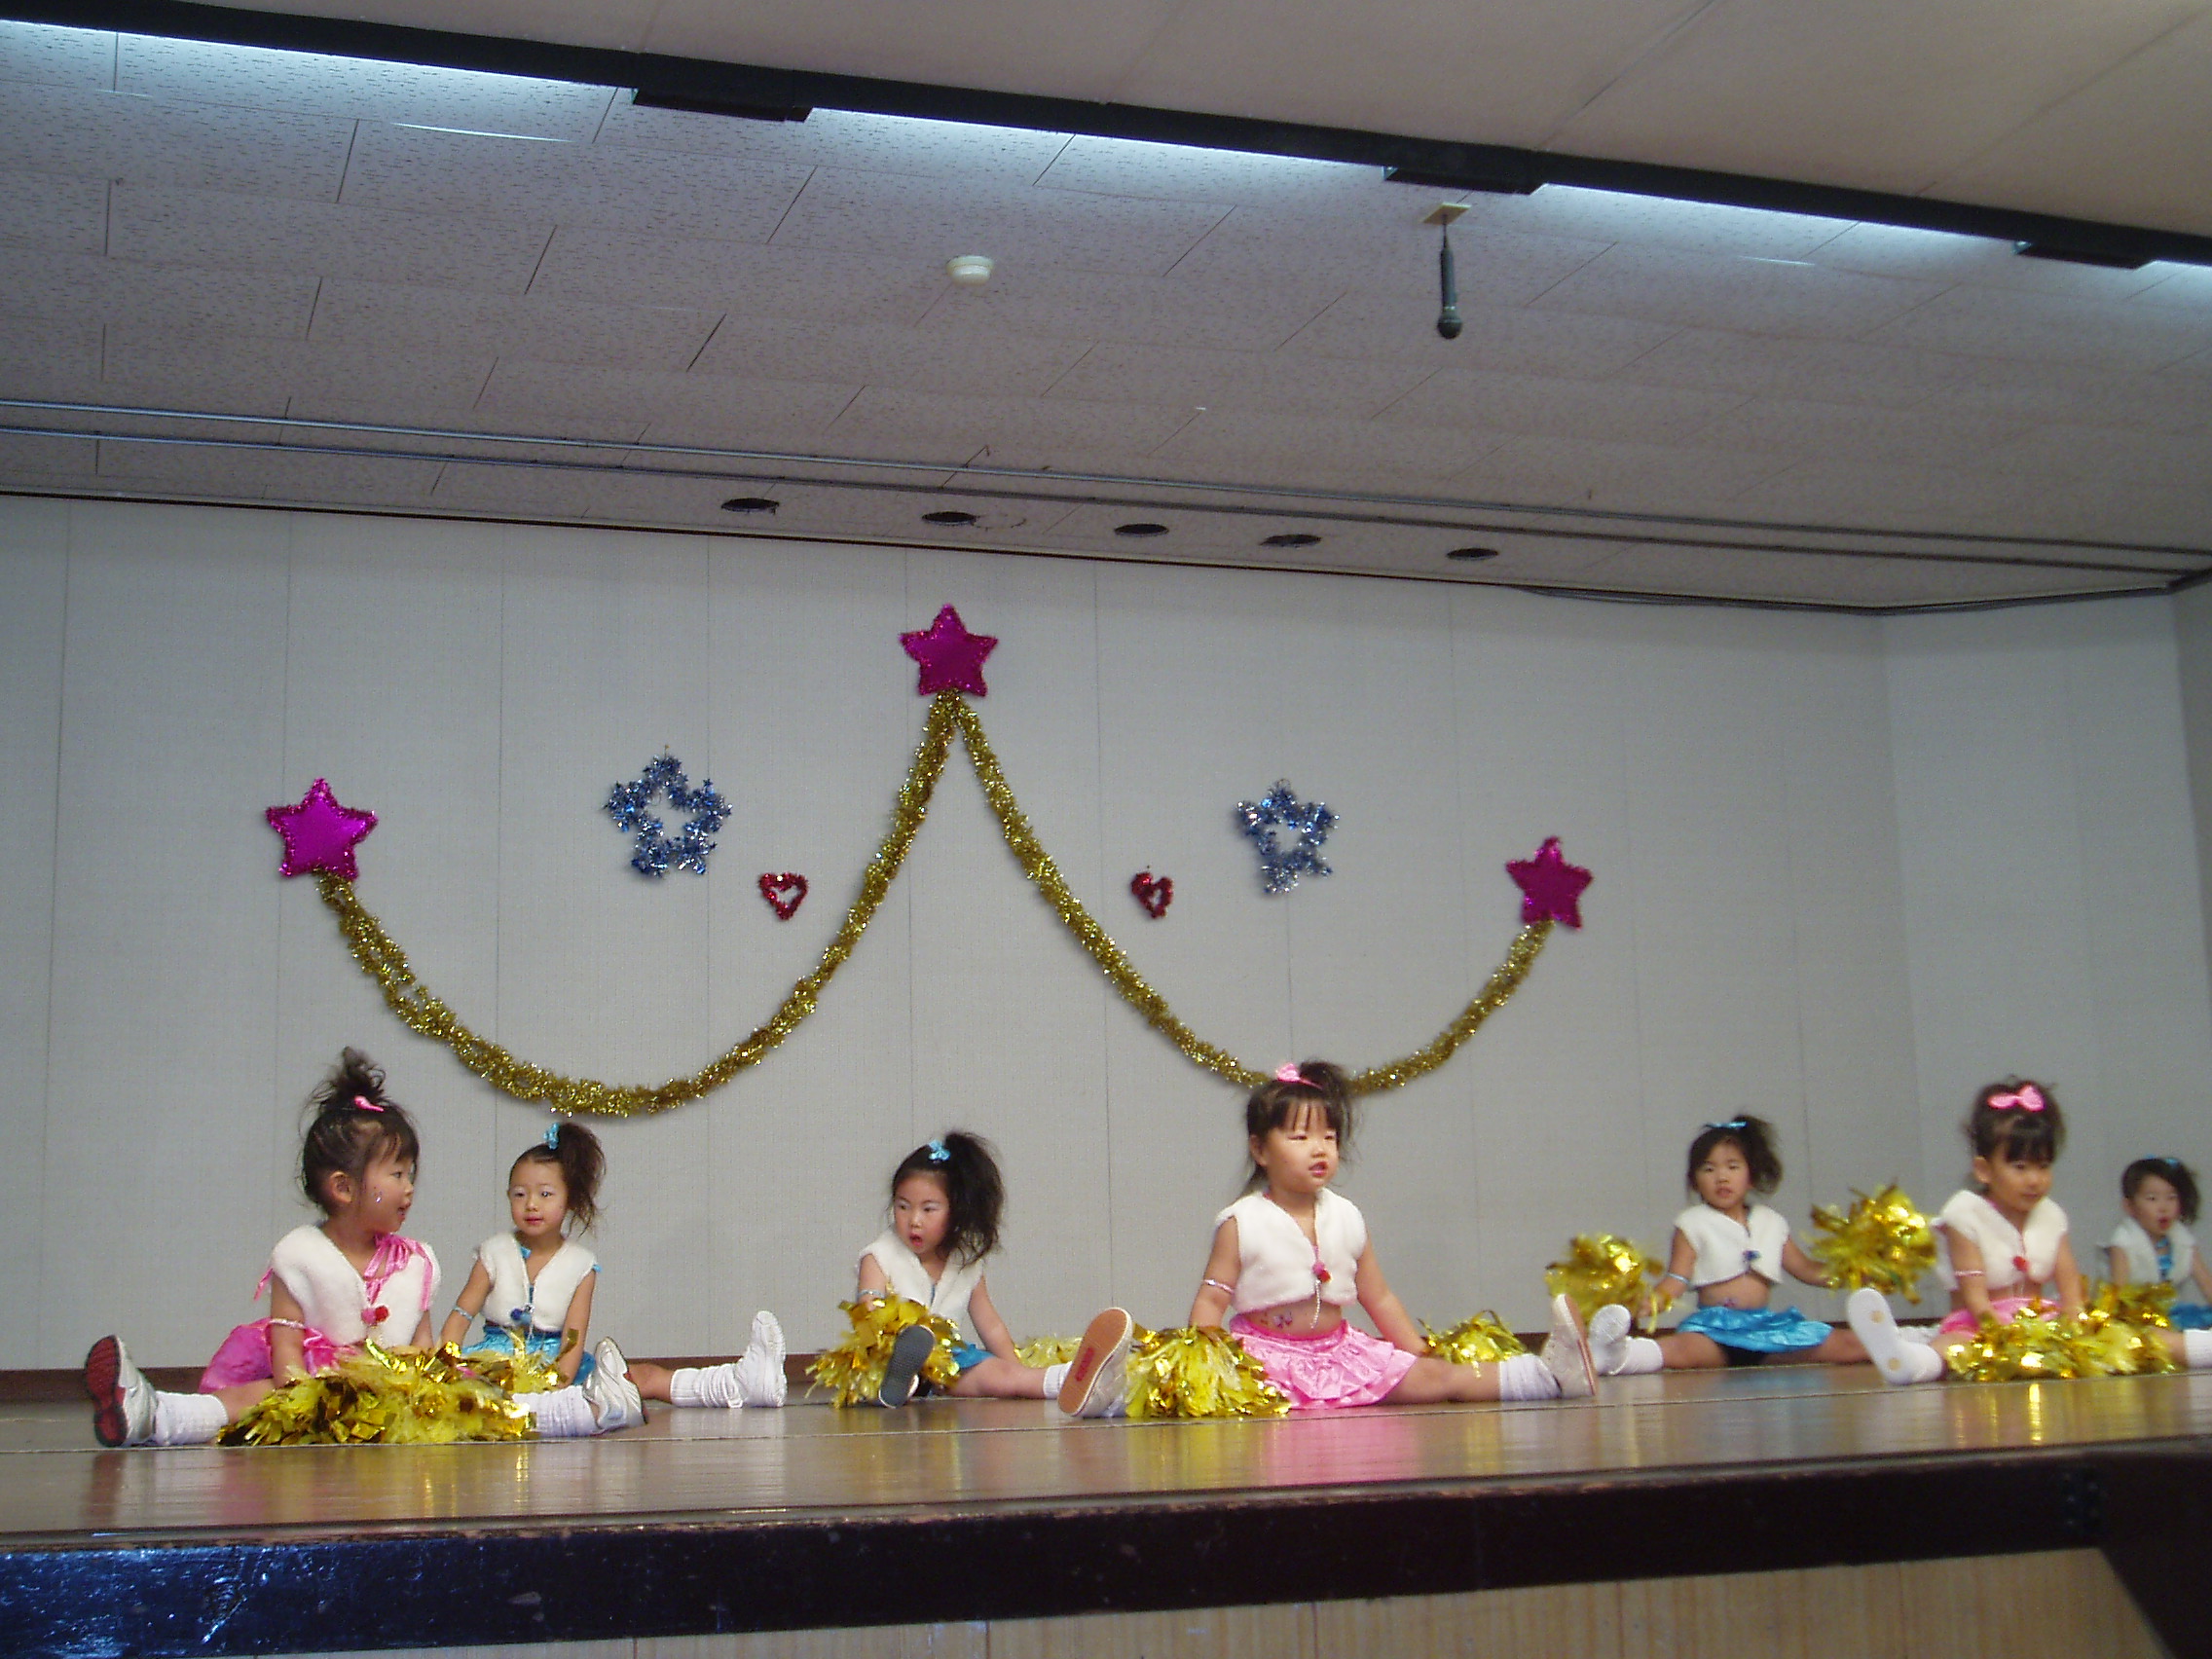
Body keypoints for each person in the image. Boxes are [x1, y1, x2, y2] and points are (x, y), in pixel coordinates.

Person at [86, 1050, 637, 1445]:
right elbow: (285, 1343)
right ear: (344, 1188)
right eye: (396, 1174)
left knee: (477, 1403)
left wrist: (424, 1367)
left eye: (411, 1173)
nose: (409, 1188)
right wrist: (305, 1393)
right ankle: (154, 1414)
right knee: (254, 1397)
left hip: (397, 1394)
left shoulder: (414, 1261)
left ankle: (588, 1408)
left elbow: (423, 1340)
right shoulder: (300, 1256)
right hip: (321, 1389)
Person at [1058, 1062, 1595, 1418]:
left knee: (1436, 1380)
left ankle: (1545, 1375)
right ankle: (1109, 1394)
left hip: (1341, 1352)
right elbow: (1213, 1298)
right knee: (1201, 1403)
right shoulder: (1241, 1221)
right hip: (1263, 1356)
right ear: (1260, 1150)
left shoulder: (1347, 1216)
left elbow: (1378, 1296)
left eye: (1329, 1138)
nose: (1319, 1149)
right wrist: (1211, 1363)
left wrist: (1415, 1352)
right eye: (1299, 1136)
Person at [1849, 1079, 2212, 1383]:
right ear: (1984, 1170)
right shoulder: (1964, 1215)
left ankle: (2199, 1347)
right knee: (1957, 1346)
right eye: (2020, 1167)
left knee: (2129, 1338)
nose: (2035, 1180)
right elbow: (1975, 1297)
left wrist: (2078, 1324)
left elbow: (2069, 1284)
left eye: (2043, 1166)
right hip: (1984, 1324)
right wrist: (2001, 1334)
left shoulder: (2051, 1216)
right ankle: (1909, 1362)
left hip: (2043, 1321)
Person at [1586, 1116, 1866, 1375]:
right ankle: (1610, 1355)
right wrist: (1648, 1303)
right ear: (1695, 1180)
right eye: (1709, 1169)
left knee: (1846, 1344)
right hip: (1714, 1333)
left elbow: (1806, 1269)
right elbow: (1677, 1279)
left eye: (1733, 1167)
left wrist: (1854, 1272)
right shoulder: (1692, 1223)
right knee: (1679, 1349)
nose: (1722, 1177)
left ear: (1751, 1176)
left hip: (1769, 1332)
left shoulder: (1772, 1222)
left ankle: (1893, 1346)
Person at [858, 1132, 1073, 1407]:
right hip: (886, 1357)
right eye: (903, 1207)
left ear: (957, 1212)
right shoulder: (879, 1255)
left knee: (999, 1377)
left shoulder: (965, 1262)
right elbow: (867, 1312)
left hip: (947, 1364)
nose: (914, 1220)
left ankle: (1067, 1381)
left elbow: (990, 1324)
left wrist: (1014, 1367)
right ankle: (896, 1382)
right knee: (876, 1371)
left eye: (928, 1209)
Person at [440, 1122, 609, 1383]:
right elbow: (461, 1316)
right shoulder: (493, 1252)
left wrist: (558, 1386)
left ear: (570, 1199)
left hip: (550, 1366)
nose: (531, 1204)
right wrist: (446, 1367)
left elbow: (573, 1339)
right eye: (520, 1194)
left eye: (545, 1194)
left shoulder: (582, 1265)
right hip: (494, 1363)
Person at [2107, 1157, 2212, 1329]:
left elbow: (2207, 1284)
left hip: (2173, 1317)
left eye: (2171, 1198)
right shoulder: (2123, 1242)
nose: (2164, 1207)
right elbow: (2117, 1298)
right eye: (2152, 1199)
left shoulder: (2182, 1239)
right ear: (2129, 1206)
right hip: (2135, 1320)